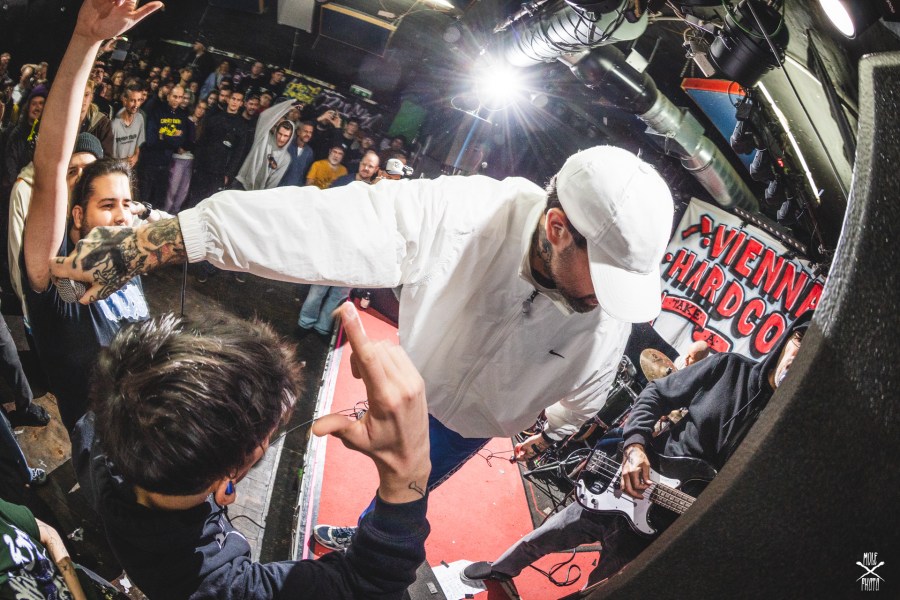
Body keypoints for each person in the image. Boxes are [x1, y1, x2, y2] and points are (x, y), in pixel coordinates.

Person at [51, 144, 674, 552]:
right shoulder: (470, 211)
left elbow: (590, 384)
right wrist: (170, 238)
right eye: (606, 276)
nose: (609, 299)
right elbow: (331, 222)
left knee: (406, 496)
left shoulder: (608, 311)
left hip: (472, 427)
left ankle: (360, 537)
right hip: (413, 382)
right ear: (557, 229)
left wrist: (552, 424)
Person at [72, 301, 430, 599]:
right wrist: (407, 474)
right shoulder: (224, 588)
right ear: (225, 481)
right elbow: (365, 588)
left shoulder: (100, 425)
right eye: (272, 428)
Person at [462, 317, 811, 587]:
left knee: (603, 587)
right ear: (786, 338)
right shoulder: (729, 368)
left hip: (665, 525)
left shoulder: (787, 429)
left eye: (811, 354)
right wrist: (634, 448)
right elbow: (655, 395)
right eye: (800, 340)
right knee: (546, 535)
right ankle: (498, 570)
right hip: (630, 478)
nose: (800, 355)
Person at [22, 0, 159, 431]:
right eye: (107, 205)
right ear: (78, 215)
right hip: (113, 448)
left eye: (125, 204)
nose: (121, 217)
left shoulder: (126, 262)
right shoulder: (60, 279)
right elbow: (50, 168)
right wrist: (85, 41)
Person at [296, 150, 381, 338]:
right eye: (364, 164)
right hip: (334, 245)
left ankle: (322, 327)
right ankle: (305, 322)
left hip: (355, 251)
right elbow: (326, 206)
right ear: (360, 163)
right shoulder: (344, 181)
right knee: (318, 288)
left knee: (339, 293)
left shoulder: (375, 192)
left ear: (376, 169)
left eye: (371, 166)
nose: (366, 168)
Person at [234, 100, 296, 191]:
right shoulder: (263, 138)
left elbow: (273, 183)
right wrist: (288, 105)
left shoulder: (286, 158)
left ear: (290, 138)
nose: (281, 138)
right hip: (241, 183)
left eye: (286, 136)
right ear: (276, 131)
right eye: (280, 133)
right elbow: (264, 116)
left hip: (258, 192)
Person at [110, 82, 145, 166]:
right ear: (125, 100)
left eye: (139, 100)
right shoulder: (114, 124)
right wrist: (123, 162)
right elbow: (109, 155)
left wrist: (136, 156)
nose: (136, 105)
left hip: (131, 168)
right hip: (116, 168)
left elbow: (138, 143)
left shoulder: (140, 118)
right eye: (132, 100)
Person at [278, 120, 314, 187]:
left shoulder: (309, 152)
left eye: (310, 132)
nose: (308, 134)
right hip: (279, 187)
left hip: (296, 189)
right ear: (298, 132)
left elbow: (305, 174)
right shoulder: (287, 145)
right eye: (305, 131)